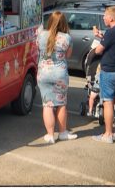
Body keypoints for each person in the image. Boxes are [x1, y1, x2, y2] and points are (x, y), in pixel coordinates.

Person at [36, 11, 77, 144]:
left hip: (44, 74)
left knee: (47, 105)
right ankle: (63, 132)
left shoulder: (41, 34)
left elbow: (38, 49)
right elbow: (68, 55)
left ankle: (50, 135)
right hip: (60, 74)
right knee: (61, 104)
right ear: (64, 23)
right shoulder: (67, 38)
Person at [92, 6, 115, 143]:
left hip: (109, 71)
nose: (103, 17)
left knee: (108, 102)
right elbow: (113, 44)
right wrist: (102, 36)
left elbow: (99, 51)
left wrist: (98, 43)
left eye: (105, 16)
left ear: (112, 17)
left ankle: (108, 134)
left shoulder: (111, 32)